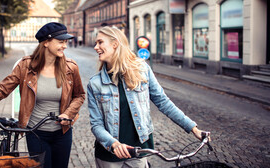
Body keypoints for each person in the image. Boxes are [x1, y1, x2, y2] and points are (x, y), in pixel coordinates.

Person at [87, 26, 208, 168]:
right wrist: (113, 144)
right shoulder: (95, 84)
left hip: (139, 150)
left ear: (115, 44)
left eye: (100, 42)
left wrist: (193, 128)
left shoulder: (142, 70)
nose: (96, 47)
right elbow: (96, 125)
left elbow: (163, 102)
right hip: (109, 155)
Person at [0, 22, 85, 168]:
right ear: (46, 43)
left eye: (66, 42)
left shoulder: (70, 67)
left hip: (63, 132)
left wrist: (68, 114)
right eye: (60, 42)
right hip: (35, 133)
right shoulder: (25, 66)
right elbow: (2, 89)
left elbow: (79, 95)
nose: (65, 46)